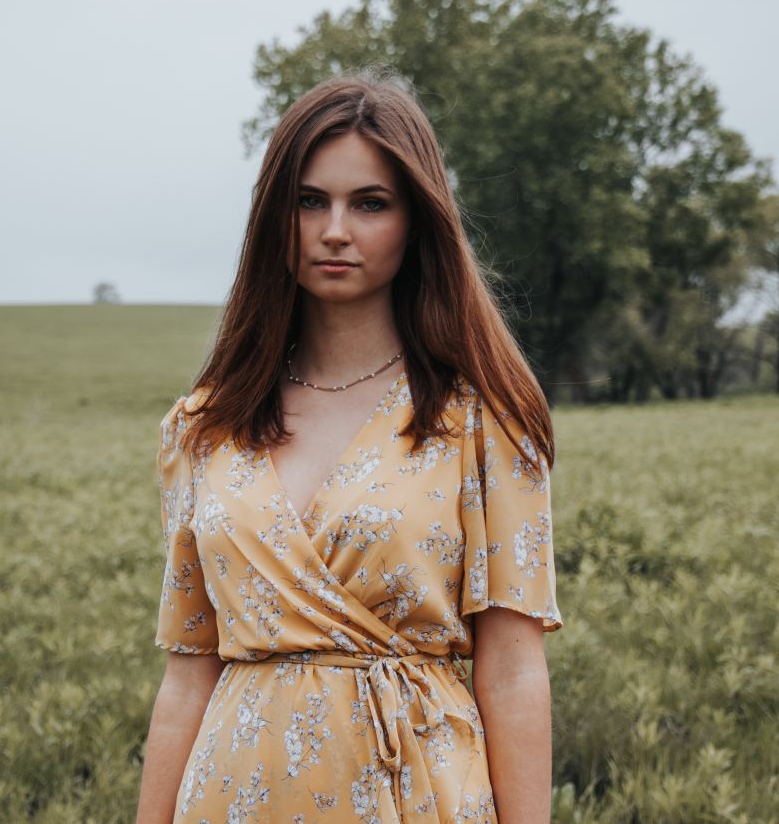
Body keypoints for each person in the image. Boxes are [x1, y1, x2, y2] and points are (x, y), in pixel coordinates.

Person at [135, 65, 563, 824]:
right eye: (309, 201)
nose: (335, 230)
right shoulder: (203, 428)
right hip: (234, 798)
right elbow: (187, 675)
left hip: (417, 793)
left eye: (370, 203)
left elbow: (513, 671)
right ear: (276, 217)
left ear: (416, 220)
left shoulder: (482, 420)